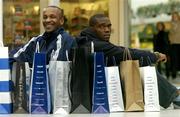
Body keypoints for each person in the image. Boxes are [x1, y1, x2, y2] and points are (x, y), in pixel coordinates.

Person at [76, 14, 180, 109]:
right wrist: (155, 56)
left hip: (96, 92)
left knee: (139, 63)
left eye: (108, 26)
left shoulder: (86, 40)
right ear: (92, 28)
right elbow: (125, 52)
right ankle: (174, 97)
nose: (107, 30)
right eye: (101, 26)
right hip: (100, 95)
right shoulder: (96, 45)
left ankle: (173, 95)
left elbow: (120, 50)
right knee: (140, 66)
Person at [9, 6, 76, 66]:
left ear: (61, 21)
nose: (47, 20)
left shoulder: (69, 42)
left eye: (52, 17)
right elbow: (14, 56)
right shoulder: (36, 41)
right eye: (45, 17)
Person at [169, 11, 180, 79]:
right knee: (174, 59)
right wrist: (170, 40)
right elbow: (170, 34)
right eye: (173, 16)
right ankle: (174, 73)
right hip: (173, 44)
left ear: (178, 16)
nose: (174, 17)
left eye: (175, 16)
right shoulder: (171, 24)